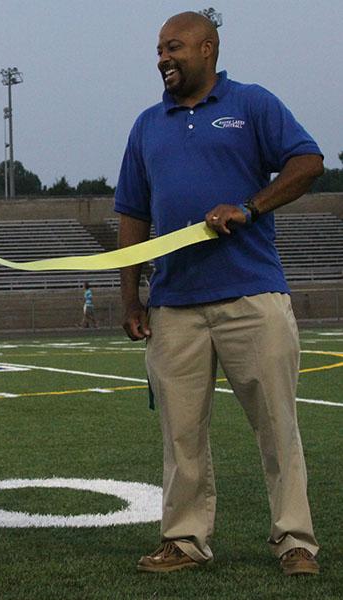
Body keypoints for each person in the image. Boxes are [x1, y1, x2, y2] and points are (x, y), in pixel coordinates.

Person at [115, 12, 324, 576]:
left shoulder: (252, 103)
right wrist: (132, 296)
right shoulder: (147, 124)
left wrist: (251, 205)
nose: (163, 57)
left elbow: (309, 161)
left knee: (278, 425)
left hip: (251, 296)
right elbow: (131, 211)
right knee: (180, 433)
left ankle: (295, 540)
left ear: (207, 49)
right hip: (174, 302)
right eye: (159, 48)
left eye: (175, 47)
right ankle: (184, 539)